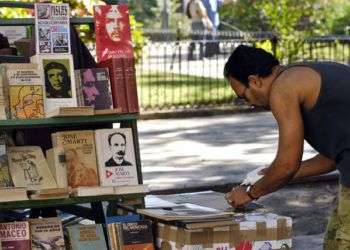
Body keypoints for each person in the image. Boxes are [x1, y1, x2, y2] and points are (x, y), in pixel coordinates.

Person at [223, 45, 350, 249]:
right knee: (334, 242)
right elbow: (333, 157)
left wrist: (250, 193)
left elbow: (287, 165)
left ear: (254, 80)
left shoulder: (282, 89)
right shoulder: (304, 74)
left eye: (243, 96)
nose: (249, 105)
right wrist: (268, 174)